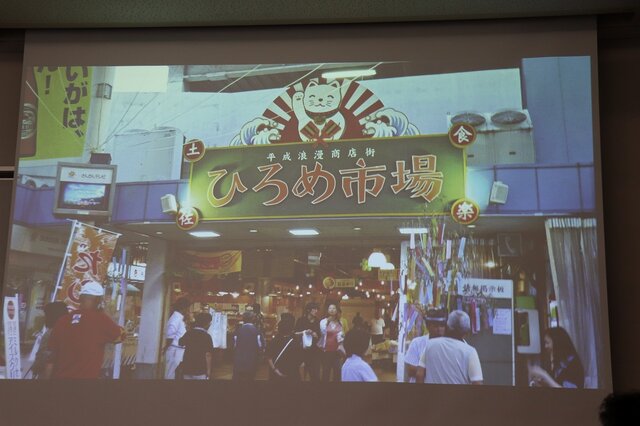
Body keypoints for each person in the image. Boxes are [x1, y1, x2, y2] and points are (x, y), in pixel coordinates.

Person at [45, 281, 124, 379]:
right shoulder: (101, 319)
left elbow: (50, 358)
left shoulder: (62, 321)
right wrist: (107, 312)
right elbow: (121, 336)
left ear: (80, 298)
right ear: (98, 300)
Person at [416, 310, 483, 385]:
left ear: (447, 327)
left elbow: (419, 374)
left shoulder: (430, 344)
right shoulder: (470, 352)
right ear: (466, 333)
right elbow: (477, 383)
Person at [404, 307, 447, 383]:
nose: (439, 329)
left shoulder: (449, 345)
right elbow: (411, 370)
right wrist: (438, 372)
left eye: (442, 326)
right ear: (428, 326)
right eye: (436, 326)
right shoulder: (417, 343)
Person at [31, 302, 68, 379]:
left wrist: (35, 367)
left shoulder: (50, 333)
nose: (44, 318)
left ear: (51, 316)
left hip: (47, 373)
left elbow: (43, 356)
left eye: (46, 315)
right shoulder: (69, 331)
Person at [178, 312, 214, 380]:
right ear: (206, 324)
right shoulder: (207, 336)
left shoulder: (189, 333)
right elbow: (208, 355)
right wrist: (208, 370)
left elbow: (180, 342)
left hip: (187, 368)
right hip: (200, 369)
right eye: (209, 322)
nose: (210, 324)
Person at [266, 313, 300, 381]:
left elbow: (269, 356)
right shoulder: (295, 340)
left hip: (276, 374)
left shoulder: (274, 340)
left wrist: (275, 370)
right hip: (292, 374)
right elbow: (299, 360)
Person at [164, 297, 191, 379]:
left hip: (177, 350)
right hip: (174, 350)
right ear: (184, 308)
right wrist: (166, 348)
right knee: (169, 374)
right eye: (188, 308)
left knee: (173, 373)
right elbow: (170, 335)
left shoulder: (179, 318)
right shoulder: (176, 318)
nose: (188, 310)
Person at [318, 303, 346, 382]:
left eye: (334, 308)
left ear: (336, 311)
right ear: (327, 310)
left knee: (337, 371)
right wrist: (328, 322)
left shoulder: (340, 322)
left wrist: (342, 336)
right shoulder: (323, 321)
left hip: (337, 351)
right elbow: (322, 333)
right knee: (326, 371)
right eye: (330, 308)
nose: (332, 310)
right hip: (326, 351)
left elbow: (340, 335)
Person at [295, 301, 321, 381]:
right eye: (314, 309)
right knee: (301, 376)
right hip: (302, 351)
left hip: (314, 352)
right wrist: (304, 332)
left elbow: (319, 336)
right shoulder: (301, 320)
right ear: (308, 310)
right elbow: (295, 334)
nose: (316, 311)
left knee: (315, 376)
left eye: (317, 309)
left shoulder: (317, 321)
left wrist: (315, 334)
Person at [233, 311, 263, 380]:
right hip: (252, 361)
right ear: (253, 319)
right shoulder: (257, 331)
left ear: (243, 319)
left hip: (239, 361)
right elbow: (260, 346)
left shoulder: (237, 331)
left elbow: (234, 345)